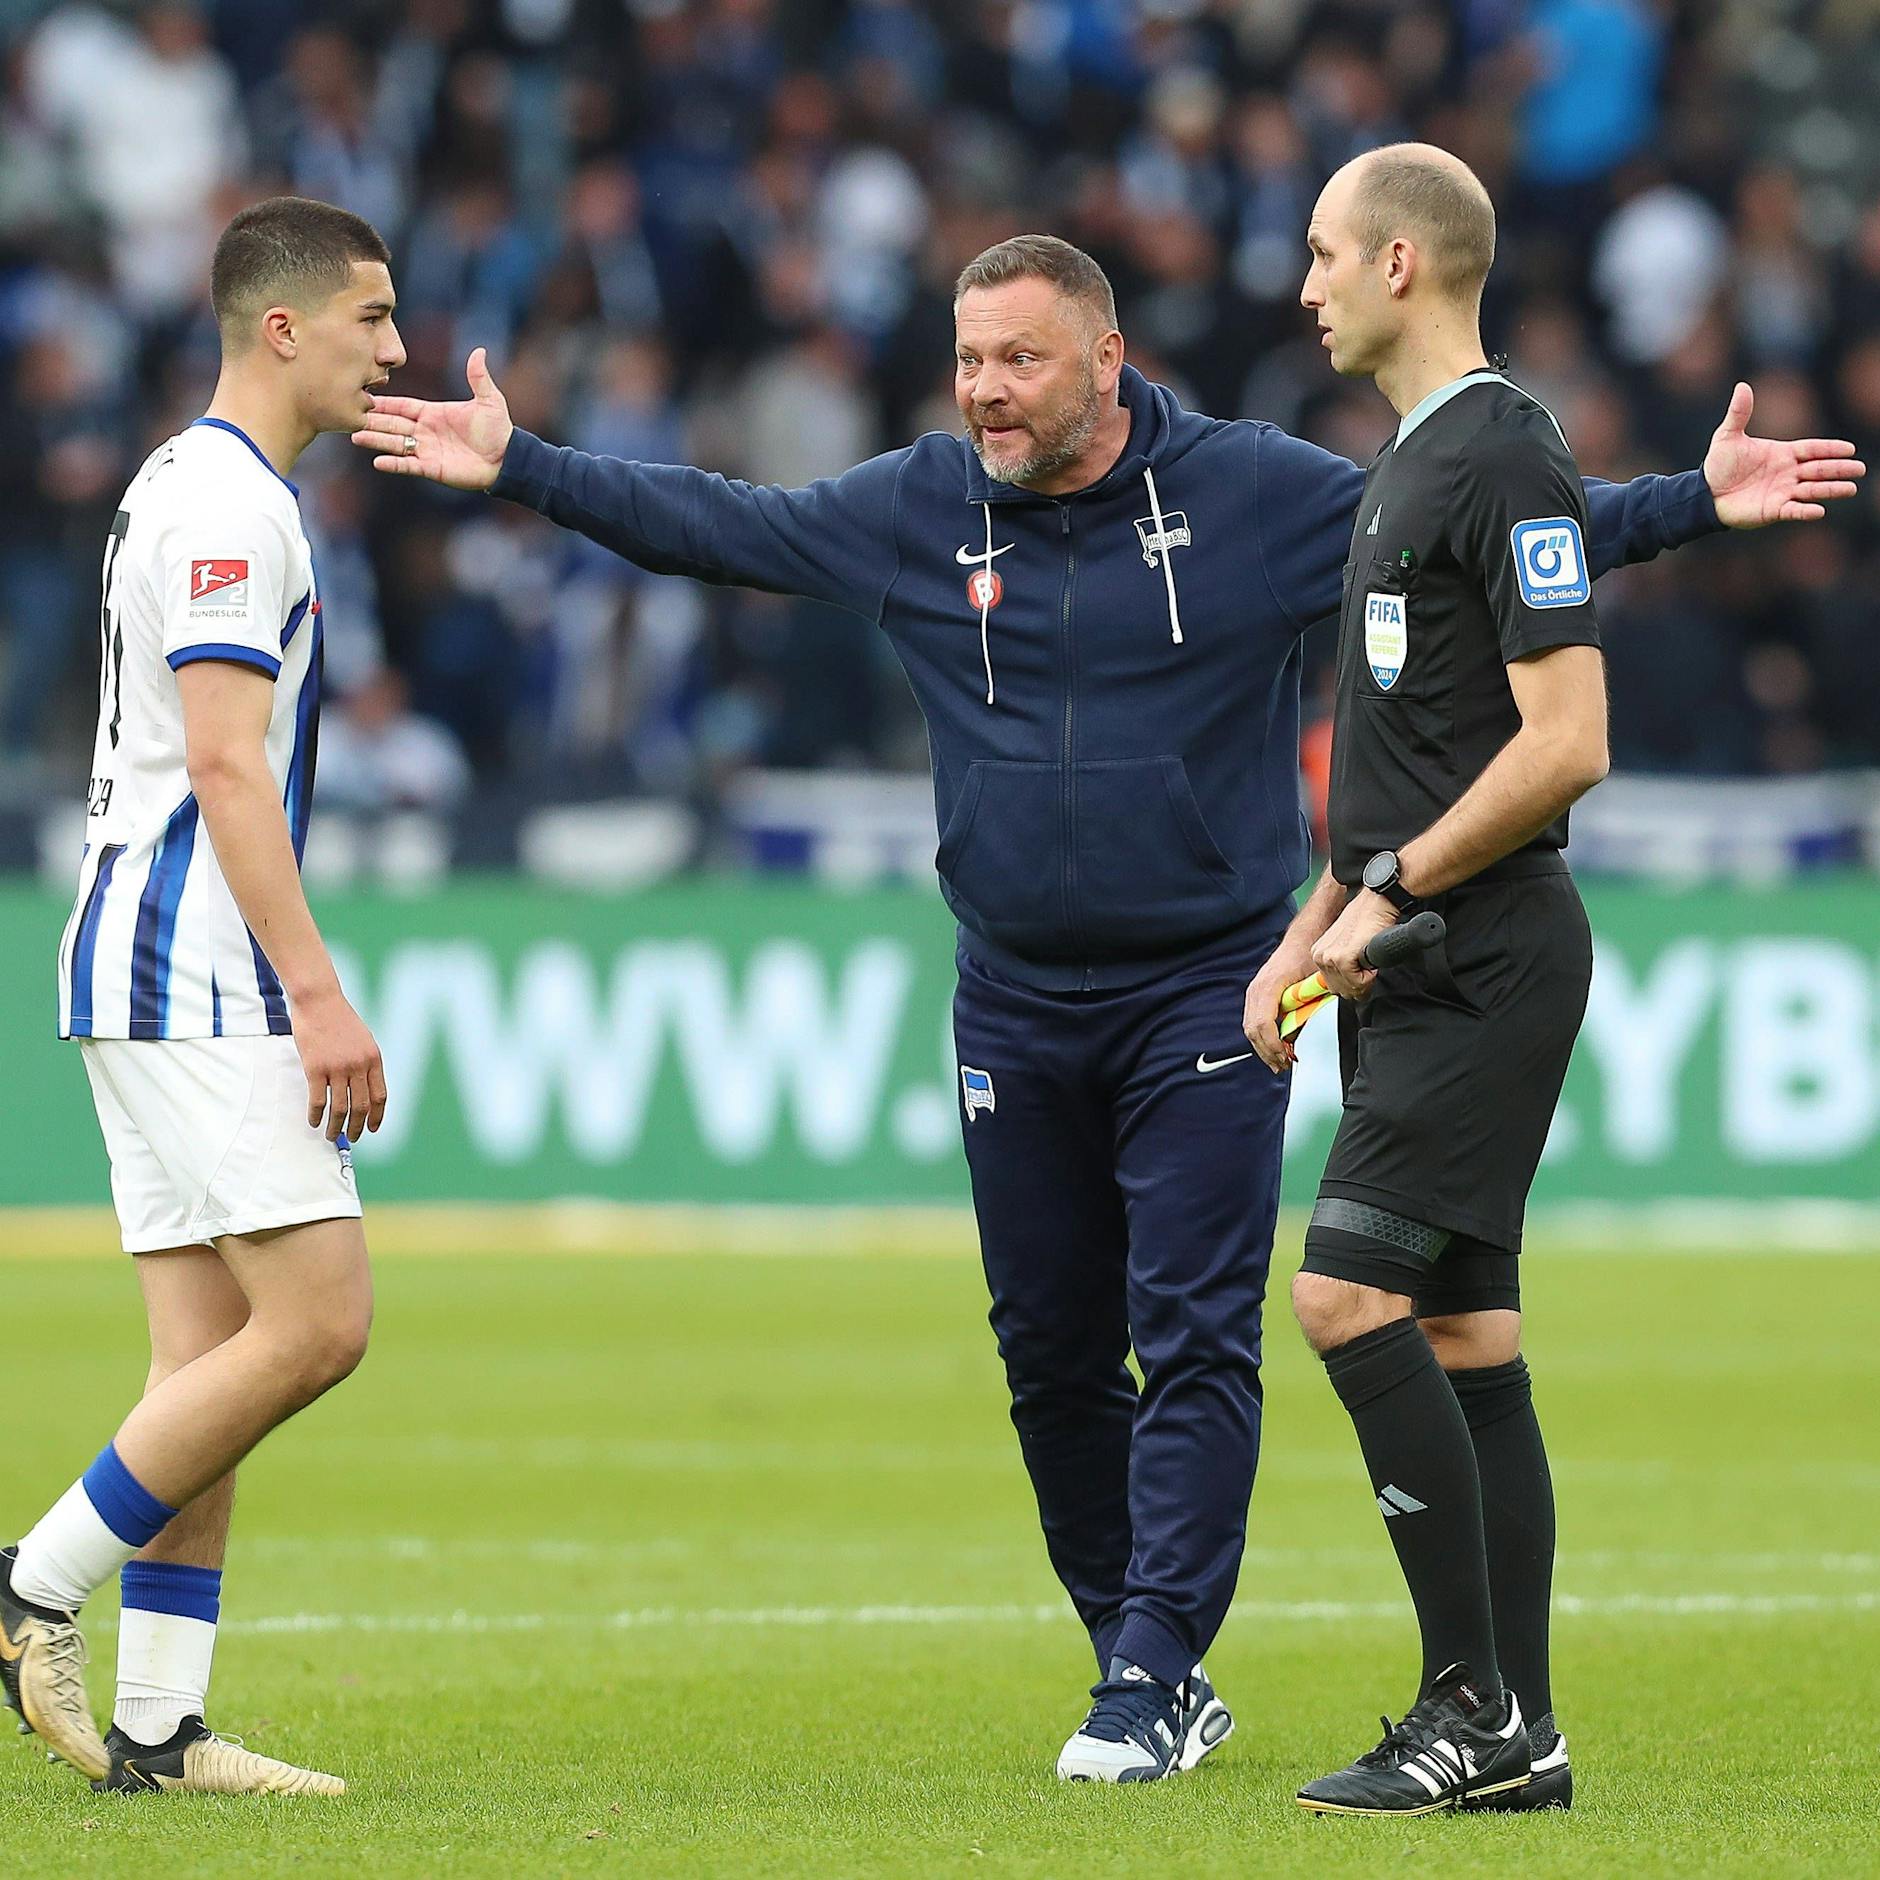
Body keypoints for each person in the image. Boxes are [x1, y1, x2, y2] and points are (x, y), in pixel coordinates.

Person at [352, 235, 1856, 1782]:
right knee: (1052, 1354)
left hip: (1211, 981)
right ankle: (1132, 1651)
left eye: (1019, 360)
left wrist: (1689, 502)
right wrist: (524, 463)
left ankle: (1151, 1672)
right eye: (970, 359)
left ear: (1106, 361)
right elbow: (724, 526)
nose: (986, 391)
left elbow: (1488, 530)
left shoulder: (1257, 492)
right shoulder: (920, 506)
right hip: (1007, 995)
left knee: (1195, 1332)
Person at [1246, 145, 1862, 1816]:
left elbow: (1568, 743)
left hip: (1480, 949)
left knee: (1344, 1296)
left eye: (1320, 252)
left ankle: (1470, 1713)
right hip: (1408, 944)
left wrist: (1385, 902)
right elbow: (1405, 745)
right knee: (1461, 1328)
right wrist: (1318, 920)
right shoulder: (1417, 462)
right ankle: (1522, 1736)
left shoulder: (1499, 446)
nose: (1297, 282)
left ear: (1399, 266)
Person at [3, 196, 404, 1798]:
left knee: (207, 1361)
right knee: (320, 1324)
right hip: (199, 967)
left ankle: (159, 1730)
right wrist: (318, 993)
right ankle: (31, 1582)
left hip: (132, 962)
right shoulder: (236, 507)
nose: (396, 349)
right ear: (285, 327)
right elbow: (227, 762)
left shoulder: (183, 480)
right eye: (373, 319)